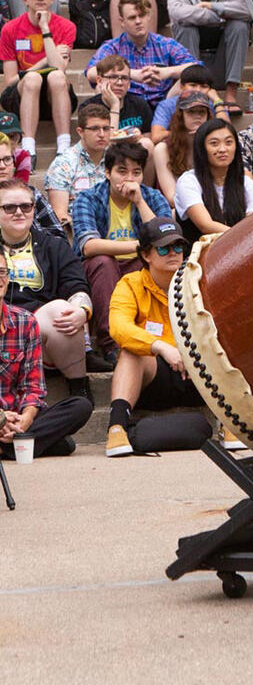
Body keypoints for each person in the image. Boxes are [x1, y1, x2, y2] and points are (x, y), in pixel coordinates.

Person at [105, 218, 206, 458]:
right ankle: (116, 426)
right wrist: (159, 346)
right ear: (146, 255)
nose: (173, 253)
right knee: (132, 352)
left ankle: (230, 425)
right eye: (163, 248)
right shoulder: (130, 284)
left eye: (178, 247)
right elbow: (118, 327)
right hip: (155, 375)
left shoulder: (197, 282)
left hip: (197, 373)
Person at [72, 140, 171, 358]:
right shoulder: (88, 198)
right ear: (107, 173)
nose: (129, 179)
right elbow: (89, 246)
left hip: (137, 264)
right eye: (122, 171)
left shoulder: (152, 197)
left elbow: (166, 239)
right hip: (99, 269)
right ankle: (112, 343)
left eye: (136, 172)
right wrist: (140, 245)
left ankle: (149, 336)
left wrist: (140, 203)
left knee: (148, 264)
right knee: (104, 262)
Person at [0, 179, 94, 405]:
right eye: (9, 207)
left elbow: (77, 285)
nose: (19, 212)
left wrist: (82, 310)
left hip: (41, 331)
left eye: (26, 206)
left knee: (64, 309)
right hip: (3, 330)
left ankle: (78, 386)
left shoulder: (54, 246)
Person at [0, 246, 92, 460]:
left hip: (17, 418)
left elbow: (33, 387)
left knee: (80, 406)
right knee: (63, 444)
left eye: (2, 272)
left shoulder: (25, 322)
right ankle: (26, 444)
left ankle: (11, 445)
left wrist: (26, 419)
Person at [0, 0, 76, 166]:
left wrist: (45, 29)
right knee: (33, 79)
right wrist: (42, 62)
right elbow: (10, 80)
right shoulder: (10, 29)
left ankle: (64, 147)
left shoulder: (66, 26)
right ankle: (28, 149)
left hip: (54, 93)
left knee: (57, 77)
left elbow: (59, 67)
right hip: (20, 93)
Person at [168, 0, 251, 110]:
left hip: (221, 65)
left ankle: (230, 95)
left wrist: (213, 6)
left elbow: (248, 12)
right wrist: (221, 17)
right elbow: (179, 14)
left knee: (239, 26)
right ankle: (192, 93)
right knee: (185, 27)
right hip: (190, 67)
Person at [86, 0, 196, 109]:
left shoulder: (165, 44)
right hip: (126, 107)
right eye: (132, 17)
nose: (138, 21)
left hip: (163, 104)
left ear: (148, 15)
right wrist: (131, 74)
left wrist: (167, 72)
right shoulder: (113, 47)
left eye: (142, 15)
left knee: (190, 80)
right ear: (122, 22)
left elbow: (197, 67)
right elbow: (91, 72)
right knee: (101, 85)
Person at [174, 118, 253, 242]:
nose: (222, 149)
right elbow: (205, 225)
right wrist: (242, 237)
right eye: (214, 143)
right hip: (197, 256)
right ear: (201, 148)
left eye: (229, 142)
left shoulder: (246, 183)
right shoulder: (189, 181)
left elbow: (252, 223)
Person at [44, 104, 112, 230]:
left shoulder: (116, 159)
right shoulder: (63, 164)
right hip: (79, 232)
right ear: (80, 132)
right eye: (95, 129)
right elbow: (60, 216)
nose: (102, 134)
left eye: (106, 128)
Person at [78, 55, 154, 151]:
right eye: (113, 77)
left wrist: (140, 137)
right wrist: (115, 106)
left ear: (129, 83)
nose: (119, 83)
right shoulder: (88, 108)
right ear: (100, 81)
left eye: (124, 78)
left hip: (132, 154)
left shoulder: (139, 104)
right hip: (101, 158)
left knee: (147, 143)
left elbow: (149, 137)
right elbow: (104, 146)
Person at [154, 92, 213, 207]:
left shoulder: (213, 146)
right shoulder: (162, 149)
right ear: (181, 115)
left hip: (210, 206)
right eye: (191, 111)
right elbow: (171, 197)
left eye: (202, 112)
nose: (198, 116)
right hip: (178, 210)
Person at [150, 63, 225, 144]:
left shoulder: (214, 104)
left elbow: (226, 132)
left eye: (204, 86)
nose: (198, 90)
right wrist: (186, 135)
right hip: (179, 147)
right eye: (193, 85)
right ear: (182, 87)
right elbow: (156, 136)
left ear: (210, 90)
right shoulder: (167, 105)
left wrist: (217, 101)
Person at [0, 111, 31, 182]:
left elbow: (22, 185)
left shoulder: (23, 156)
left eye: (12, 136)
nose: (9, 141)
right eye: (4, 136)